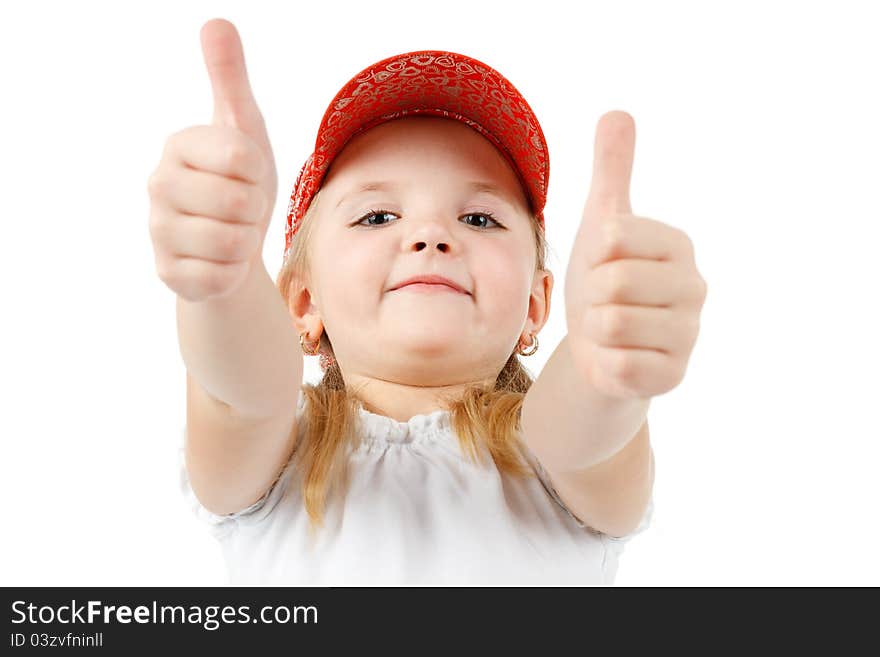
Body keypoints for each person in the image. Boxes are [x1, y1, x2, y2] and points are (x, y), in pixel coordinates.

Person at [148, 19, 706, 585]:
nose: (431, 236)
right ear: (303, 301)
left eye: (479, 218)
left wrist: (602, 364)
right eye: (378, 216)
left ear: (536, 305)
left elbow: (582, 432)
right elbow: (242, 390)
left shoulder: (554, 459)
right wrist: (225, 285)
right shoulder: (274, 453)